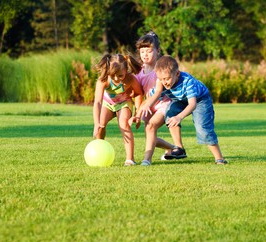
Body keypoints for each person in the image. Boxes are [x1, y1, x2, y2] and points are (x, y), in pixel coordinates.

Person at [141, 55, 228, 164]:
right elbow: (155, 95)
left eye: (167, 78)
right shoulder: (161, 82)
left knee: (202, 128)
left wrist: (179, 117)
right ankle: (179, 148)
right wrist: (145, 106)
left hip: (200, 100)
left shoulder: (187, 81)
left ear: (177, 74)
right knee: (170, 112)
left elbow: (192, 104)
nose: (164, 82)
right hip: (181, 100)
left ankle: (219, 158)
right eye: (161, 79)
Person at [128, 32, 181, 166]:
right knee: (150, 136)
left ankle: (147, 160)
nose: (145, 54)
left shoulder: (160, 69)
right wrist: (137, 114)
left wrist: (144, 108)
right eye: (142, 51)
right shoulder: (139, 71)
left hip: (164, 105)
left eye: (149, 51)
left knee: (151, 127)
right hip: (149, 106)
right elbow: (138, 94)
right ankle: (173, 149)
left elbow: (157, 92)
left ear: (157, 51)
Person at [92, 53, 143, 166]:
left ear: (126, 70)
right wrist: (96, 124)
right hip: (108, 103)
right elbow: (98, 102)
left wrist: (138, 114)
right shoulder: (103, 79)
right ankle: (100, 152)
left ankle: (130, 159)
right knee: (101, 125)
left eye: (120, 75)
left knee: (124, 125)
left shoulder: (130, 79)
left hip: (124, 103)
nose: (116, 78)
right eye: (113, 75)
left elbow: (139, 93)